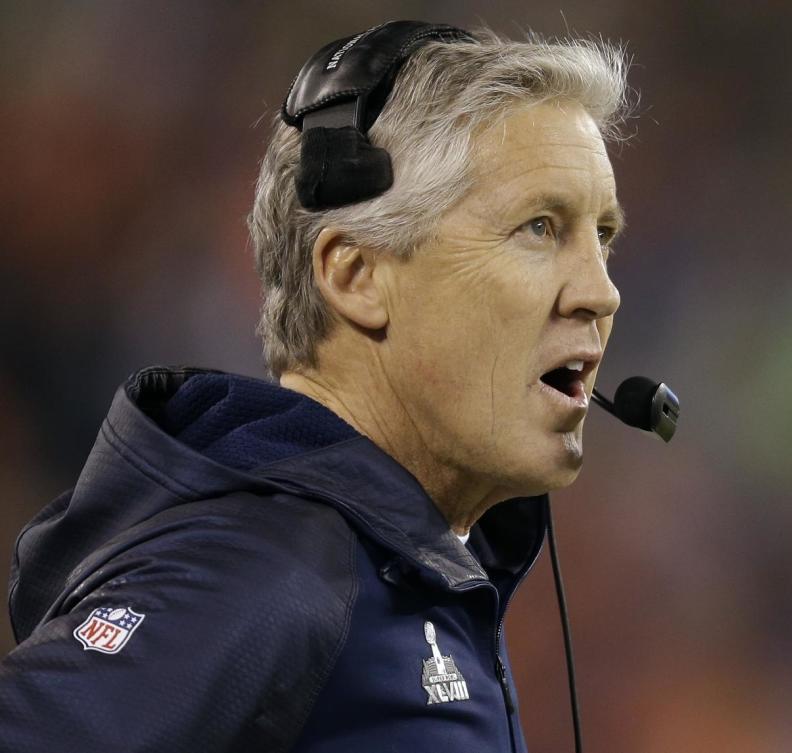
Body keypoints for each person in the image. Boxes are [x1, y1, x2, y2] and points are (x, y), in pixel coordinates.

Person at [0, 21, 628, 752]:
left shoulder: (399, 567)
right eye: (540, 227)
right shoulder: (266, 568)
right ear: (355, 276)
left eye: (603, 235)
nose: (601, 291)